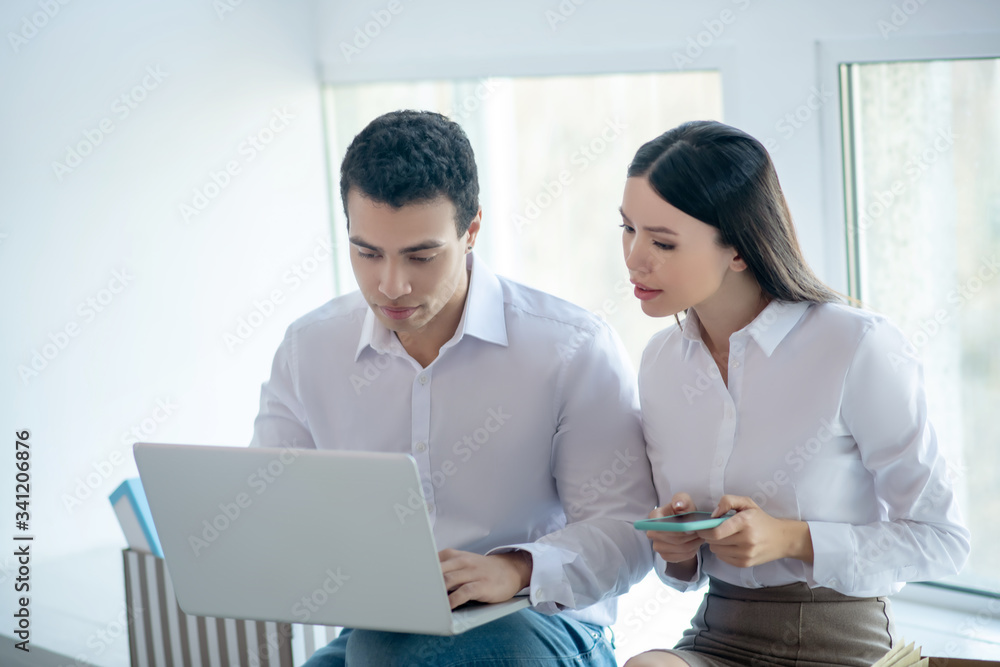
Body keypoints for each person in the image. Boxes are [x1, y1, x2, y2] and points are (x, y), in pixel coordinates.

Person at [250, 109, 657, 666]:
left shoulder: (570, 347)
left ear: (472, 230)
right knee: (374, 647)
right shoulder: (309, 349)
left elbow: (627, 532)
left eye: (421, 255)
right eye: (367, 252)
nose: (391, 284)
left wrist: (515, 568)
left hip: (539, 619)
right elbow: (272, 506)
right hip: (384, 627)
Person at [618, 120, 971, 667]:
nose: (635, 258)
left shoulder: (856, 345)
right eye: (628, 229)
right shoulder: (661, 362)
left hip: (839, 639)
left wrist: (791, 539)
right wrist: (678, 550)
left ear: (737, 249)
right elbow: (680, 575)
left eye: (663, 241)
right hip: (718, 631)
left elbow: (942, 540)